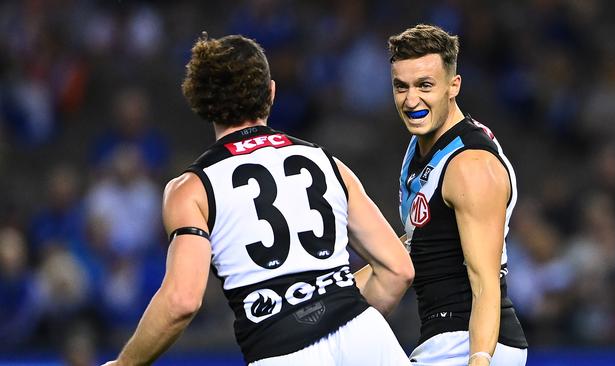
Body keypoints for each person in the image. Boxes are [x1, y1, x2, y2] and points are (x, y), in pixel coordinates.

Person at [101, 33, 414, 366]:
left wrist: (123, 364)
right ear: (271, 92)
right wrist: (337, 316)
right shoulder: (328, 164)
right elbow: (398, 270)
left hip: (280, 351)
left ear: (202, 102)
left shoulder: (191, 189)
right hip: (365, 337)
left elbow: (181, 301)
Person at [389, 24, 528, 365]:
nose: (411, 100)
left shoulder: (470, 165)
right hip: (442, 339)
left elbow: (485, 282)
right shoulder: (421, 148)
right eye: (400, 87)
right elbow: (415, 246)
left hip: (469, 342)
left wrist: (479, 358)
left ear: (454, 86)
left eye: (424, 86)